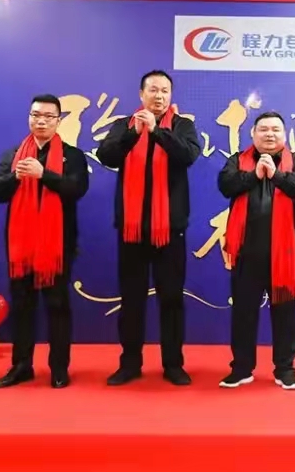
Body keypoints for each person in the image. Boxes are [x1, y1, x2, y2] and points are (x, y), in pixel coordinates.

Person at [97, 70, 200, 386]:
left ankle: (173, 364)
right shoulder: (124, 125)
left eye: (165, 90)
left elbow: (188, 155)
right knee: (131, 300)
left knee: (171, 300)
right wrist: (135, 133)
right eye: (153, 90)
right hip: (132, 230)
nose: (159, 96)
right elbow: (106, 155)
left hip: (170, 230)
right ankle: (130, 363)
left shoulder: (182, 126)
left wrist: (157, 132)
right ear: (141, 94)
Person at [0, 94, 90, 389]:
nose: (41, 121)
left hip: (58, 246)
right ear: (29, 118)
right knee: (22, 305)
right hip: (21, 246)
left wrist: (44, 174)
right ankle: (21, 365)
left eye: (48, 116)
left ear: (58, 121)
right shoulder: (13, 155)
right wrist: (16, 177)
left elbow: (76, 188)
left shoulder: (72, 155)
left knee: (57, 305)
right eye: (36, 115)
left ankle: (59, 368)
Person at [217, 111, 295, 390]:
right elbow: (226, 185)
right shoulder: (238, 160)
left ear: (284, 135)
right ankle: (241, 368)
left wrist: (277, 175)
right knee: (243, 312)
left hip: (284, 253)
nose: (270, 134)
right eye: (263, 129)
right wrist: (254, 175)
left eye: (275, 129)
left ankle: (285, 369)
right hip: (246, 251)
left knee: (284, 313)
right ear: (253, 134)